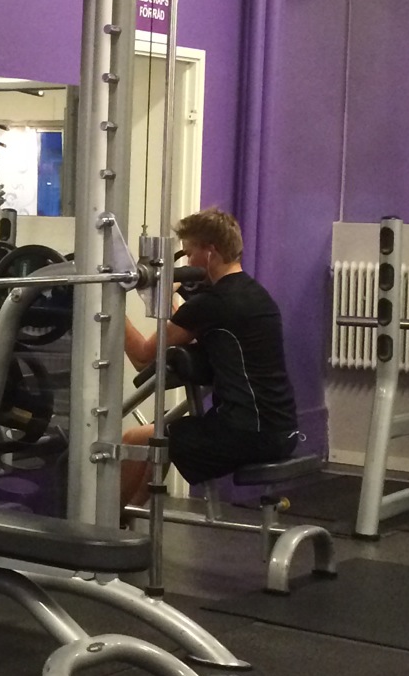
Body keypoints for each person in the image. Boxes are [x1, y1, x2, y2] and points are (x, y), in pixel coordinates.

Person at [120, 206, 297, 512]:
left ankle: (106, 524)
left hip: (244, 434)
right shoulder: (255, 294)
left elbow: (142, 357)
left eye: (190, 254)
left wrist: (105, 305)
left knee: (136, 438)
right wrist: (171, 299)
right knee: (162, 435)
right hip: (281, 429)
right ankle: (127, 516)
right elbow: (190, 328)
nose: (188, 263)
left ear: (210, 252)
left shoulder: (212, 303)